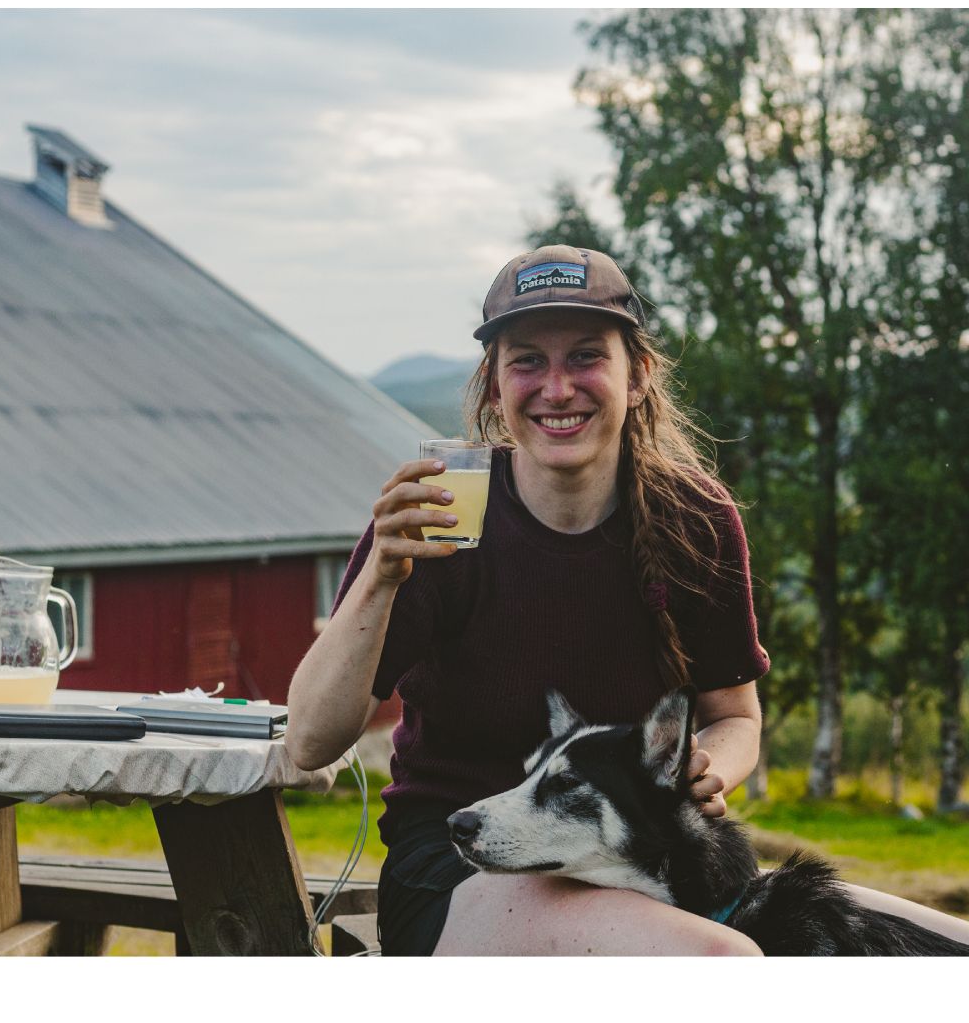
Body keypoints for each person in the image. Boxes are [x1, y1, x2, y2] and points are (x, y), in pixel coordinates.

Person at [287, 244, 969, 955]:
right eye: (527, 361)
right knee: (722, 964)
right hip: (463, 874)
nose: (557, 388)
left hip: (644, 868)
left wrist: (707, 767)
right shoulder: (436, 518)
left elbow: (734, 716)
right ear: (494, 384)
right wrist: (382, 576)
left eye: (586, 356)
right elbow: (311, 741)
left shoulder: (696, 519)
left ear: (637, 374)